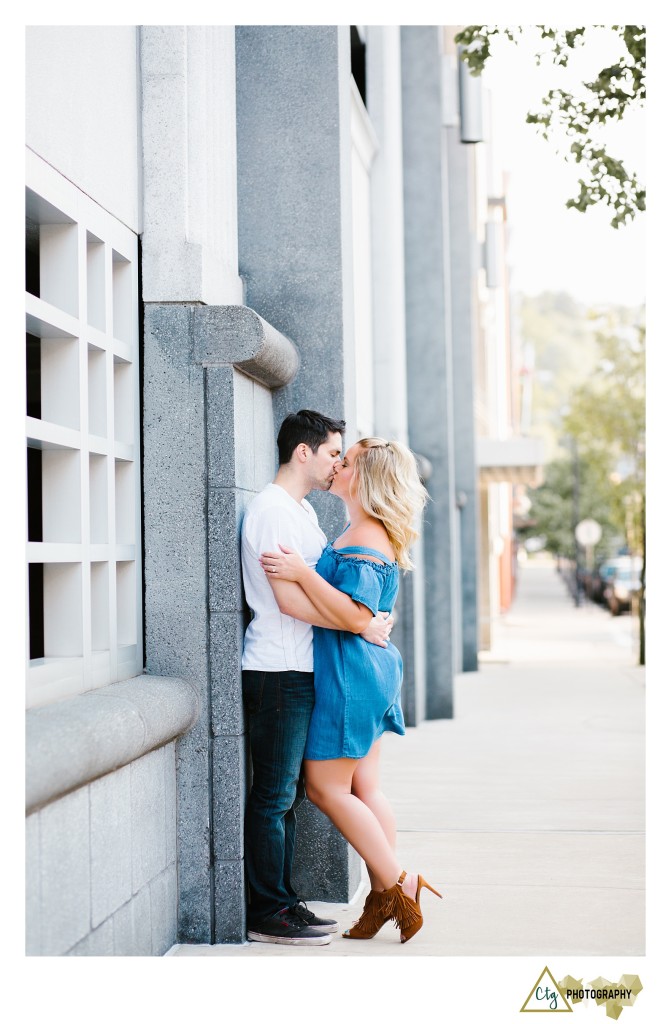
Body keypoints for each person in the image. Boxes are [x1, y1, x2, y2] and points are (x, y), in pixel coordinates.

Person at [260, 436, 442, 944]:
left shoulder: (364, 536)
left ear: (366, 478)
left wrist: (300, 572)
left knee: (326, 788)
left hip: (350, 674)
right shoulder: (366, 530)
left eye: (349, 460)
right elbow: (364, 613)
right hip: (368, 670)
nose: (338, 465)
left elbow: (356, 614)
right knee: (366, 788)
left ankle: (397, 884)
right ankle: (385, 892)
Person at [240, 411, 393, 946]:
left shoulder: (302, 512)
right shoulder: (272, 512)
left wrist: (362, 618)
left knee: (292, 796)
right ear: (302, 453)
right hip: (278, 669)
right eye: (333, 453)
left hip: (305, 668)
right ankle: (268, 913)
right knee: (275, 795)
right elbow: (288, 601)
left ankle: (284, 902)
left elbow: (320, 590)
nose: (337, 463)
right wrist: (359, 621)